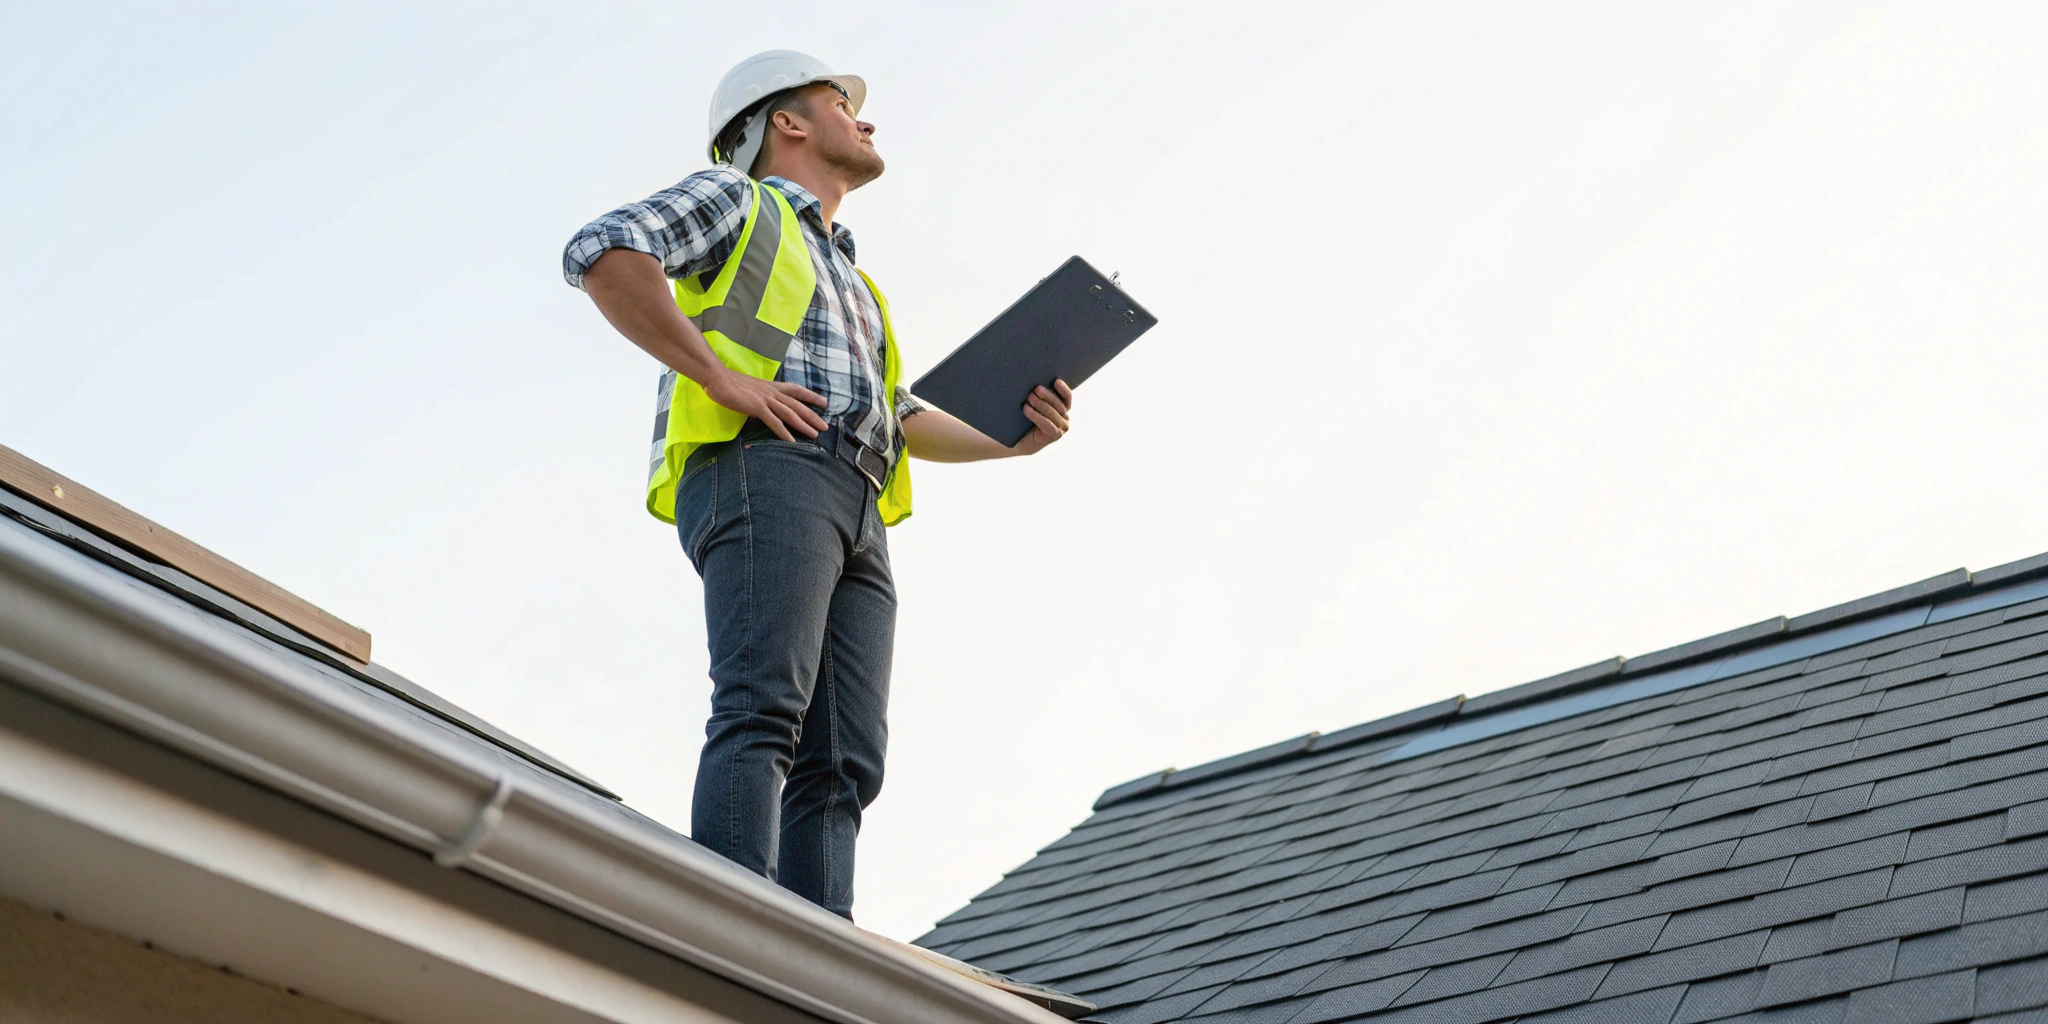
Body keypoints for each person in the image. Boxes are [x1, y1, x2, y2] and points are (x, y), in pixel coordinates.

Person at [561, 51, 1075, 920]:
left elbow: (897, 413)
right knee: (764, 704)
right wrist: (724, 378)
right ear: (788, 122)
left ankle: (814, 955)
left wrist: (1012, 442)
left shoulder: (856, 279)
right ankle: (724, 929)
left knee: (843, 760)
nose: (865, 119)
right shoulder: (739, 201)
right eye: (844, 103)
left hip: (856, 494)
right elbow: (603, 251)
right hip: (767, 466)